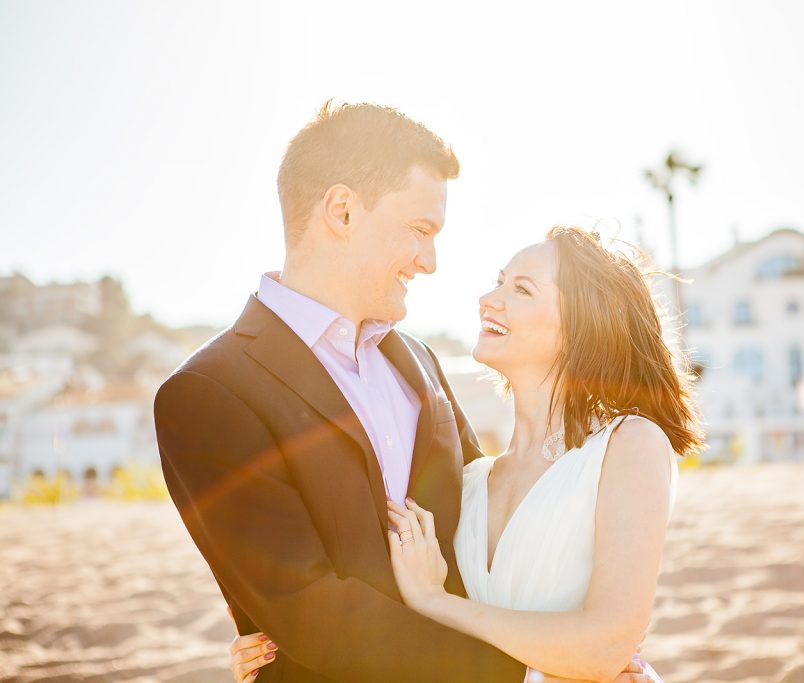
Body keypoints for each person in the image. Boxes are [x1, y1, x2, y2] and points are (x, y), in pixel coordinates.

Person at [155, 101, 666, 682]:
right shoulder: (208, 391)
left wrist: (586, 650)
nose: (430, 261)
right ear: (342, 211)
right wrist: (543, 673)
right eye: (420, 230)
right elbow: (309, 610)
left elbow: (484, 539)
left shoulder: (418, 362)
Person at [228, 227, 704, 682]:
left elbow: (604, 648)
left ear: (584, 321)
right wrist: (283, 651)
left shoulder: (629, 446)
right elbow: (373, 582)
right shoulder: (469, 479)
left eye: (521, 289)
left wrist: (438, 603)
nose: (488, 300)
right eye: (498, 282)